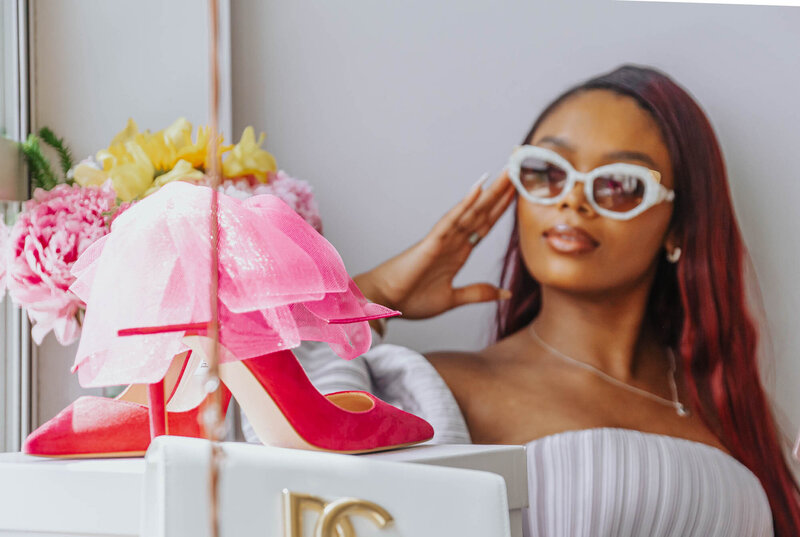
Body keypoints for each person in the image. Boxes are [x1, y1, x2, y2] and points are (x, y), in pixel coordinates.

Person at [246, 65, 800, 536]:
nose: (574, 201)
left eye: (619, 183)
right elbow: (276, 441)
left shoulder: (735, 413)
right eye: (547, 172)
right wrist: (379, 293)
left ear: (680, 227)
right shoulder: (437, 390)